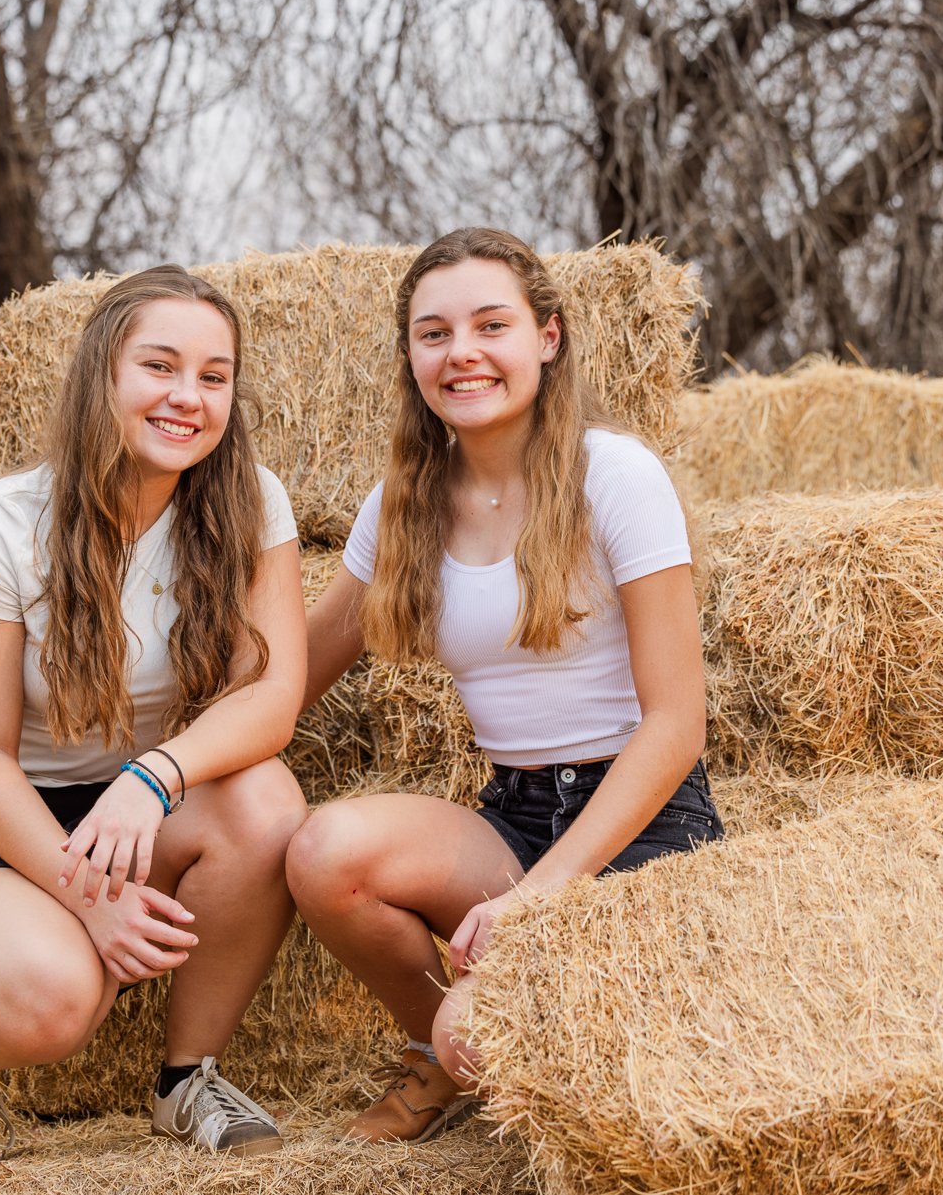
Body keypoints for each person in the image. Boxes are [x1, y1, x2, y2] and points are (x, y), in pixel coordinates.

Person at [285, 228, 724, 1144]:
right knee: (324, 853)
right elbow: (293, 670)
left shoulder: (617, 475)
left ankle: (453, 1044)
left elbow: (678, 723)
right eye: (434, 333)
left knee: (478, 1040)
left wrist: (542, 894)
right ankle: (430, 1039)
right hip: (513, 814)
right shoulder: (402, 499)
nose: (463, 353)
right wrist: (150, 761)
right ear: (410, 356)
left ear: (548, 337)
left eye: (492, 324)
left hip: (643, 823)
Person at [0, 265, 308, 1167]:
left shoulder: (249, 503)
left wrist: (154, 777)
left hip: (134, 806)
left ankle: (186, 1081)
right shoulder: (4, 523)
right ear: (103, 374)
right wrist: (84, 899)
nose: (188, 395)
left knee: (266, 801)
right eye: (161, 366)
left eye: (214, 375)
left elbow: (271, 699)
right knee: (54, 998)